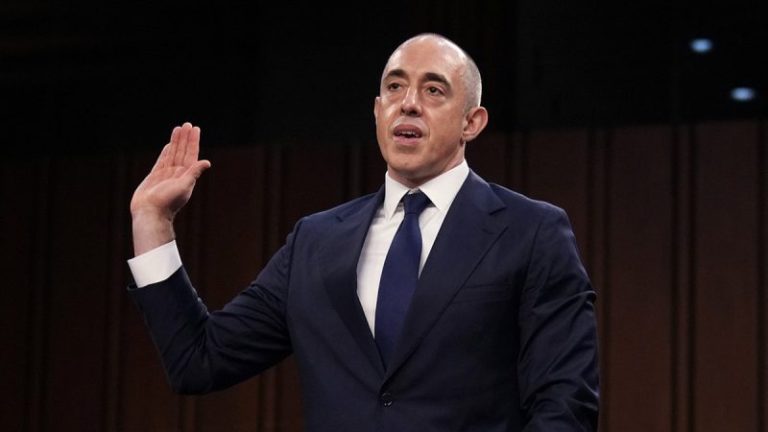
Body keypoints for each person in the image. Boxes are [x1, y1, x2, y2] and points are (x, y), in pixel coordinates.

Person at [127, 33, 599, 431]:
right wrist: (153, 222)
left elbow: (565, 404)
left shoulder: (530, 232)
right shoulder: (314, 242)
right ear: (377, 111)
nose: (408, 103)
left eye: (434, 90)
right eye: (395, 87)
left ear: (471, 123)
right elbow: (199, 360)